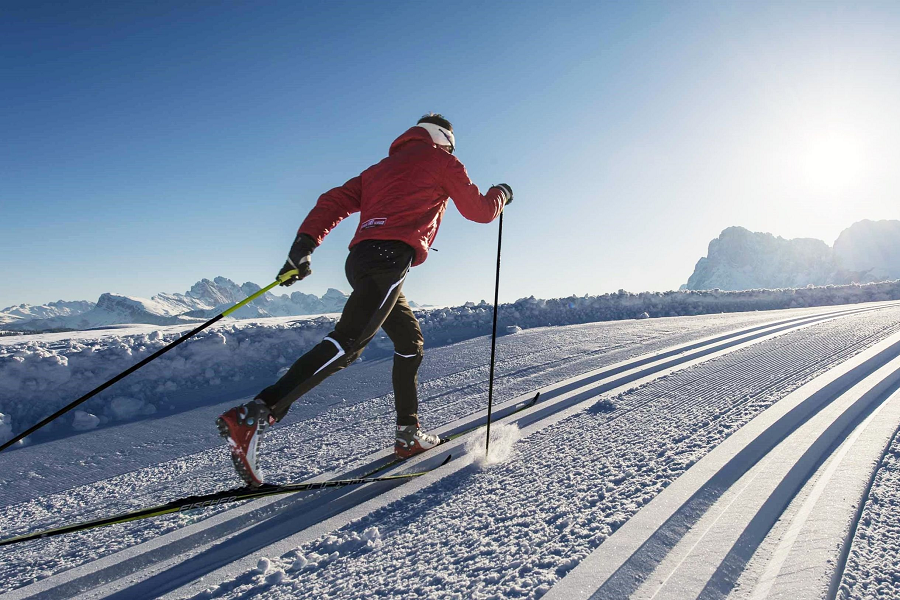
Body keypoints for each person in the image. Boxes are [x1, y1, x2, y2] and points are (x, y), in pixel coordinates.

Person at [216, 114, 513, 486]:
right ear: (445, 141)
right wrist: (502, 193)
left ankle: (408, 435)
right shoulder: (441, 160)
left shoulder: (379, 169)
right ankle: (257, 413)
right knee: (349, 343)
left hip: (360, 261)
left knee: (409, 342)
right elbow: (481, 212)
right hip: (390, 259)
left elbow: (332, 201)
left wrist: (303, 246)